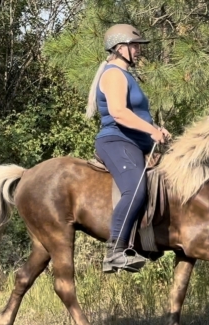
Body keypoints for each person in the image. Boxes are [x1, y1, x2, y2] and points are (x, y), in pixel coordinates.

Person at [86, 24, 171, 273]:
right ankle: (115, 252)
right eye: (134, 46)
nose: (138, 51)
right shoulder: (113, 74)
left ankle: (149, 241)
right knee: (135, 190)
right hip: (117, 141)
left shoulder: (127, 75)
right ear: (119, 47)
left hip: (136, 142)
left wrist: (156, 128)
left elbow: (137, 114)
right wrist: (152, 131)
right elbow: (119, 113)